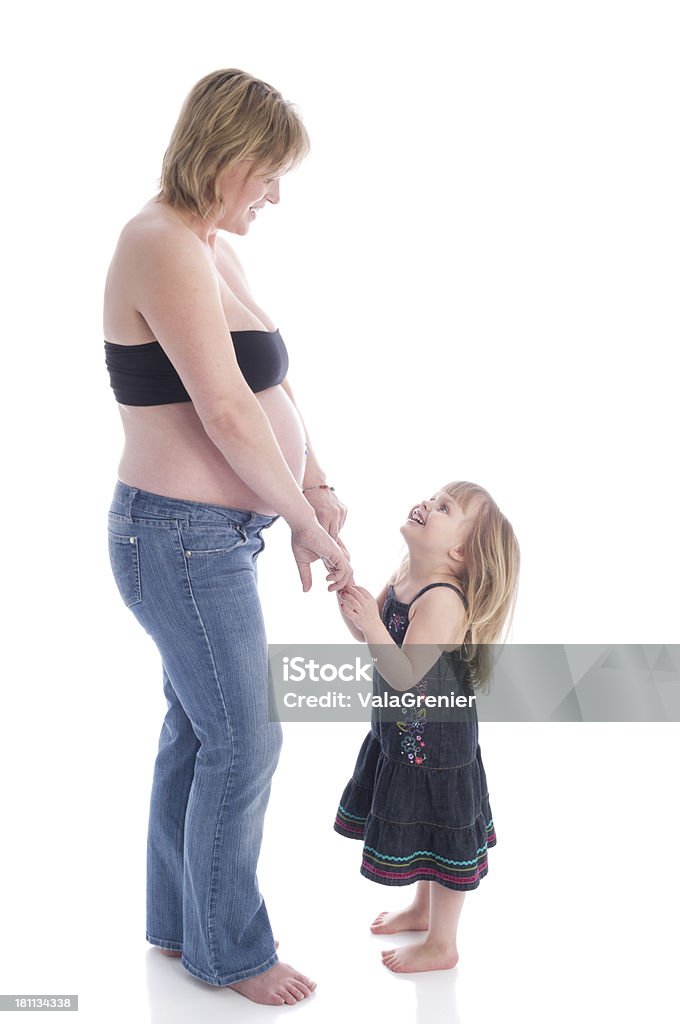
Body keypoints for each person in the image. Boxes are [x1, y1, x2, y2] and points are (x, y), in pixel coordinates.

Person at [103, 68, 352, 1005]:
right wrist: (300, 521)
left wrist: (315, 486)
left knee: (199, 732)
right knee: (245, 743)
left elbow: (269, 390)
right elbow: (221, 412)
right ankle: (231, 953)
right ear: (227, 154)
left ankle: (178, 929)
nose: (276, 194)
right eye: (268, 173)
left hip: (219, 535)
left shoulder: (209, 245)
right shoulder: (158, 242)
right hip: (176, 537)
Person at [334, 481, 520, 973]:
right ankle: (421, 908)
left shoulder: (443, 601)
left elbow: (403, 673)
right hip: (401, 734)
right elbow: (371, 634)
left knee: (444, 830)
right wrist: (354, 607)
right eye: (432, 497)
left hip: (437, 746)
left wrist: (371, 626)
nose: (426, 504)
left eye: (444, 508)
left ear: (458, 551)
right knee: (427, 828)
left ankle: (444, 943)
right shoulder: (403, 578)